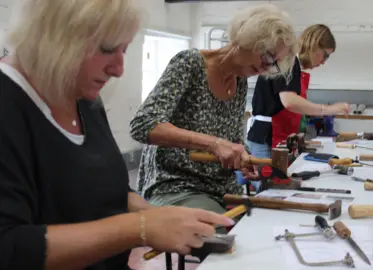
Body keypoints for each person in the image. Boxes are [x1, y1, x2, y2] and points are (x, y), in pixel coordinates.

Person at [0, 1, 234, 269]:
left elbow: (107, 190)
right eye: (107, 50)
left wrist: (156, 217)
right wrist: (138, 228)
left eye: (124, 50)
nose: (119, 69)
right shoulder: (8, 103)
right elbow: (9, 246)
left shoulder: (81, 95)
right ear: (54, 35)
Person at [129, 4, 297, 228]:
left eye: (274, 64)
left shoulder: (239, 81)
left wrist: (244, 159)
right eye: (268, 57)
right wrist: (214, 144)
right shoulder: (190, 64)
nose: (267, 68)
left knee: (267, 230)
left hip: (221, 188)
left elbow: (233, 139)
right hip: (177, 185)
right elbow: (143, 125)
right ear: (249, 39)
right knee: (230, 239)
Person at [246, 24, 350, 158]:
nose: (323, 62)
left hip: (274, 138)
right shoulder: (287, 61)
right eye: (325, 55)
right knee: (267, 178)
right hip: (267, 139)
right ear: (314, 45)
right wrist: (329, 109)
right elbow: (290, 102)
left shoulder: (294, 65)